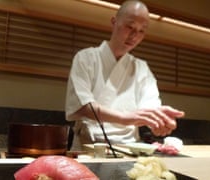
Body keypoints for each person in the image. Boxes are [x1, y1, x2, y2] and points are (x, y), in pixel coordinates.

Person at [65, 0, 185, 150]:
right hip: (88, 145)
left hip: (129, 147)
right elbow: (82, 105)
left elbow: (149, 107)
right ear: (114, 22)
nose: (135, 35)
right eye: (130, 27)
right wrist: (124, 118)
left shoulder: (141, 68)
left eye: (142, 31)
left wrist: (158, 119)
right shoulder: (86, 58)